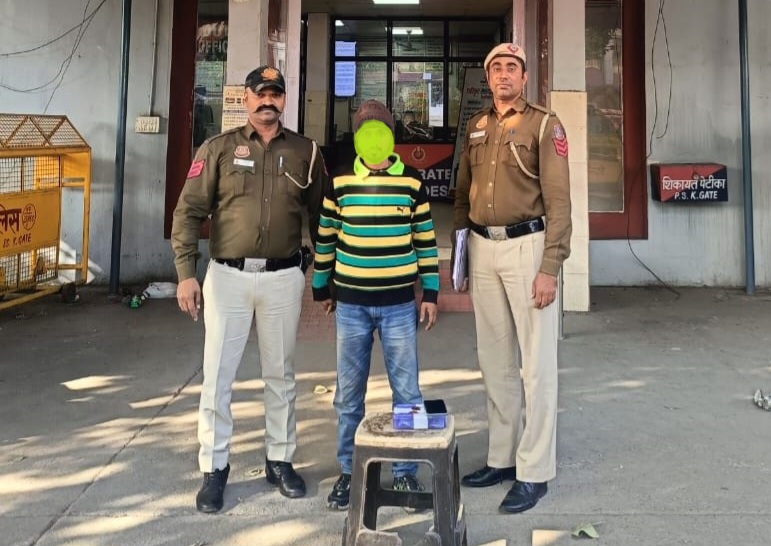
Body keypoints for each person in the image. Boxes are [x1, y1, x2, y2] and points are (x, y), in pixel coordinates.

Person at [172, 65, 328, 513]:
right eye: (260, 94)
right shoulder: (218, 149)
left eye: (275, 94)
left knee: (281, 375)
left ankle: (280, 460)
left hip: (283, 277)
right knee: (218, 376)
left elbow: (323, 216)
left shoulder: (305, 151)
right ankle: (214, 467)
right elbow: (188, 212)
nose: (268, 101)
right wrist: (186, 273)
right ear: (246, 99)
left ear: (284, 100)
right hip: (228, 278)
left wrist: (324, 274)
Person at [452, 43, 572, 514]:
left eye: (512, 68)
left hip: (528, 248)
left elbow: (559, 202)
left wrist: (550, 267)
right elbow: (462, 193)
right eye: (496, 68)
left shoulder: (544, 124)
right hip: (483, 247)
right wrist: (461, 255)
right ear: (488, 78)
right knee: (495, 359)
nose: (503, 74)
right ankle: (502, 458)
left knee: (536, 364)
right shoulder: (476, 125)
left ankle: (535, 470)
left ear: (523, 78)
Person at [312, 99, 440, 511]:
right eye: (364, 129)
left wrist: (431, 293)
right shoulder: (340, 180)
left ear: (390, 135)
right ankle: (351, 473)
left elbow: (425, 241)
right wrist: (320, 286)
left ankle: (405, 473)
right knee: (349, 395)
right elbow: (327, 236)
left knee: (408, 392)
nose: (372, 136)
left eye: (378, 128)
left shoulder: (413, 182)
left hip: (400, 304)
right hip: (351, 305)